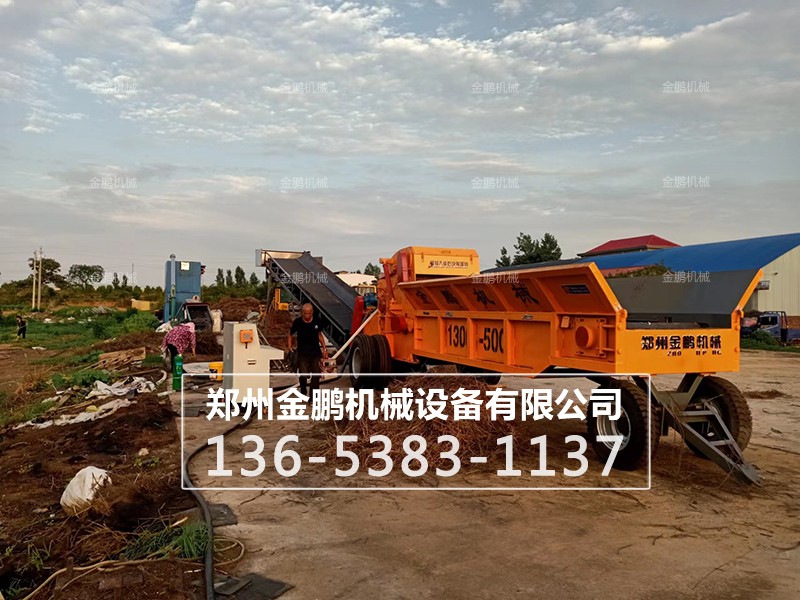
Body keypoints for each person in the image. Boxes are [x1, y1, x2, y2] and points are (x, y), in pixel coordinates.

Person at [287, 303, 328, 397]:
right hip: (302, 353)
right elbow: (290, 333)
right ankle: (303, 389)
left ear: (312, 312)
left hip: (315, 353)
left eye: (309, 313)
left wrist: (324, 349)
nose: (307, 315)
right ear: (302, 312)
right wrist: (289, 346)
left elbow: (319, 335)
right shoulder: (298, 322)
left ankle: (313, 398)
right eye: (305, 313)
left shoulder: (317, 321)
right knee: (304, 374)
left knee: (316, 376)